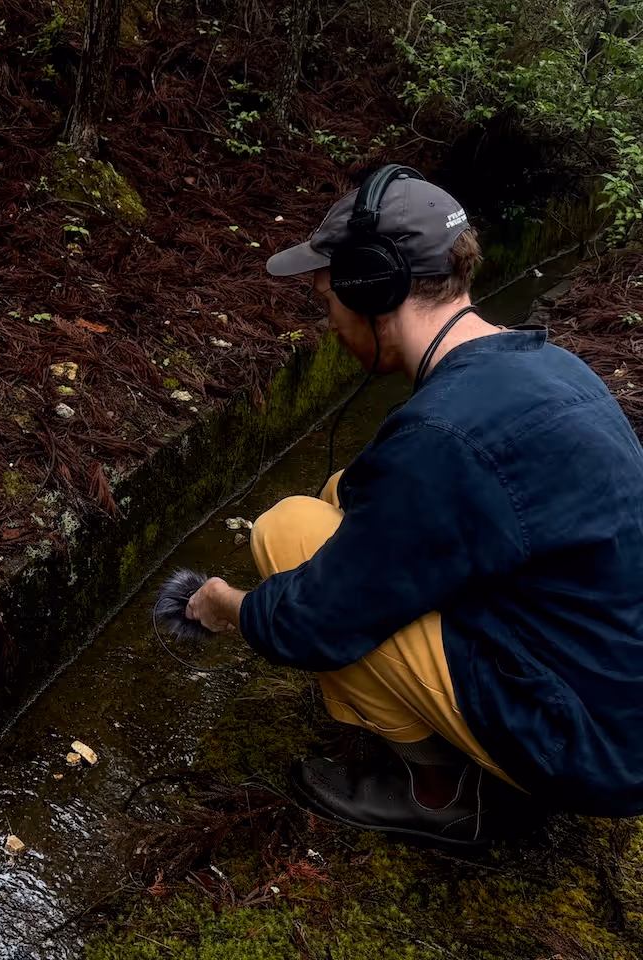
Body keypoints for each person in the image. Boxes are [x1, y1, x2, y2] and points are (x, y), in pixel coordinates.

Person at [185, 164, 643, 846]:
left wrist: (227, 604)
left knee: (289, 533)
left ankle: (442, 792)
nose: (329, 322)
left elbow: (310, 623)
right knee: (347, 490)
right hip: (612, 699)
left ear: (373, 287)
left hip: (589, 745)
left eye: (327, 299)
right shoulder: (546, 367)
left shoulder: (444, 435)